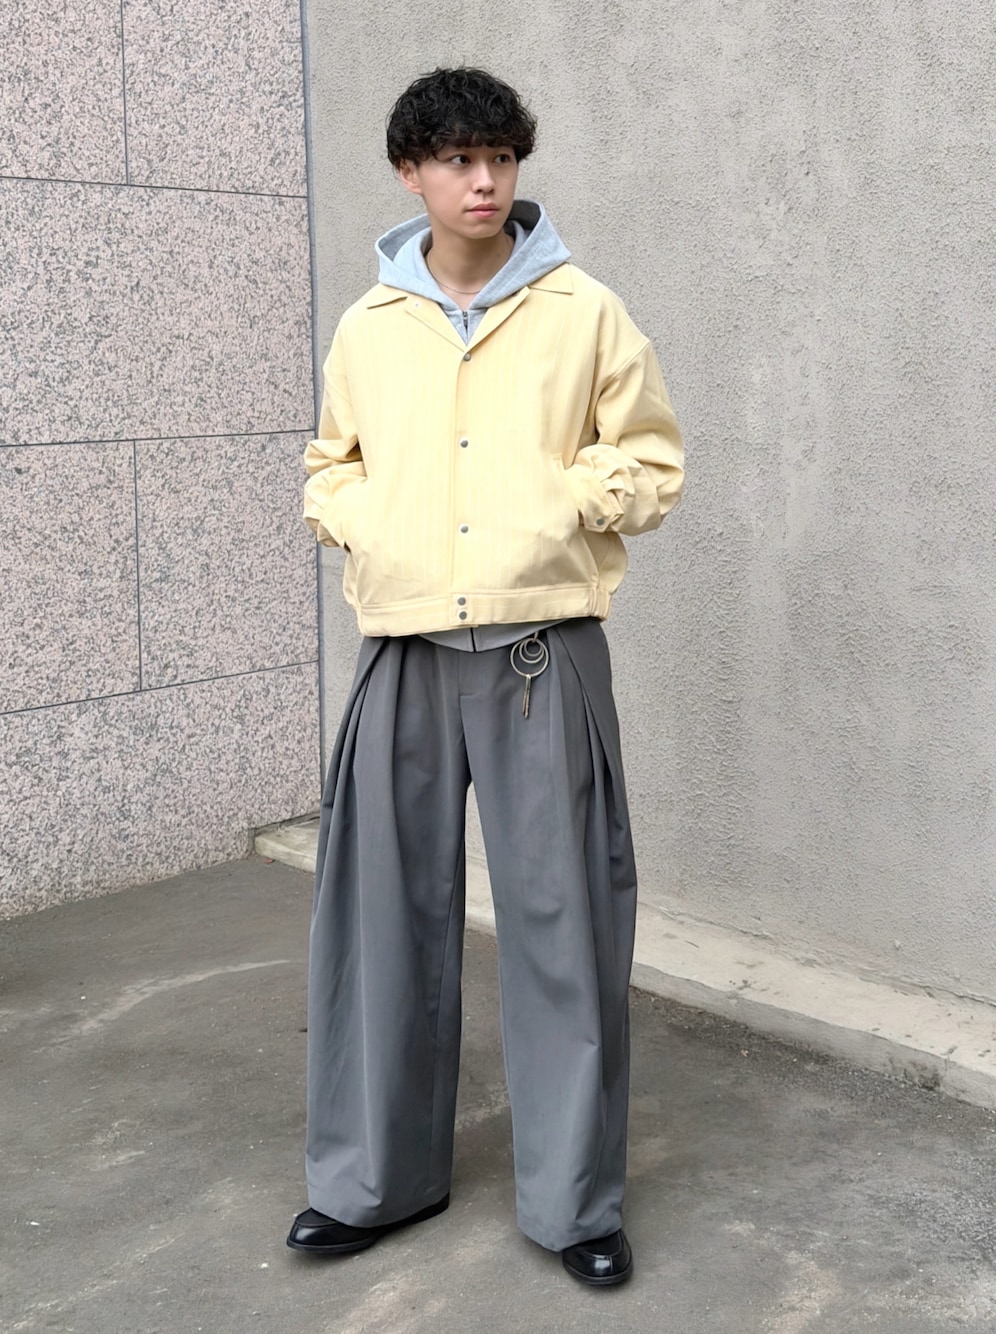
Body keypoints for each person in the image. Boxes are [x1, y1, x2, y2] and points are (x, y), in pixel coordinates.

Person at [287, 66, 683, 1286]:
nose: (483, 181)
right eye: (458, 159)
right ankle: (370, 1180)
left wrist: (562, 503)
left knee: (566, 927)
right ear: (410, 172)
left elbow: (650, 457)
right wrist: (366, 524)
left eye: (500, 158)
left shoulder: (583, 310)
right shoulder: (370, 324)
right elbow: (331, 464)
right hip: (404, 649)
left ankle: (576, 1204)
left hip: (538, 652)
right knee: (380, 924)